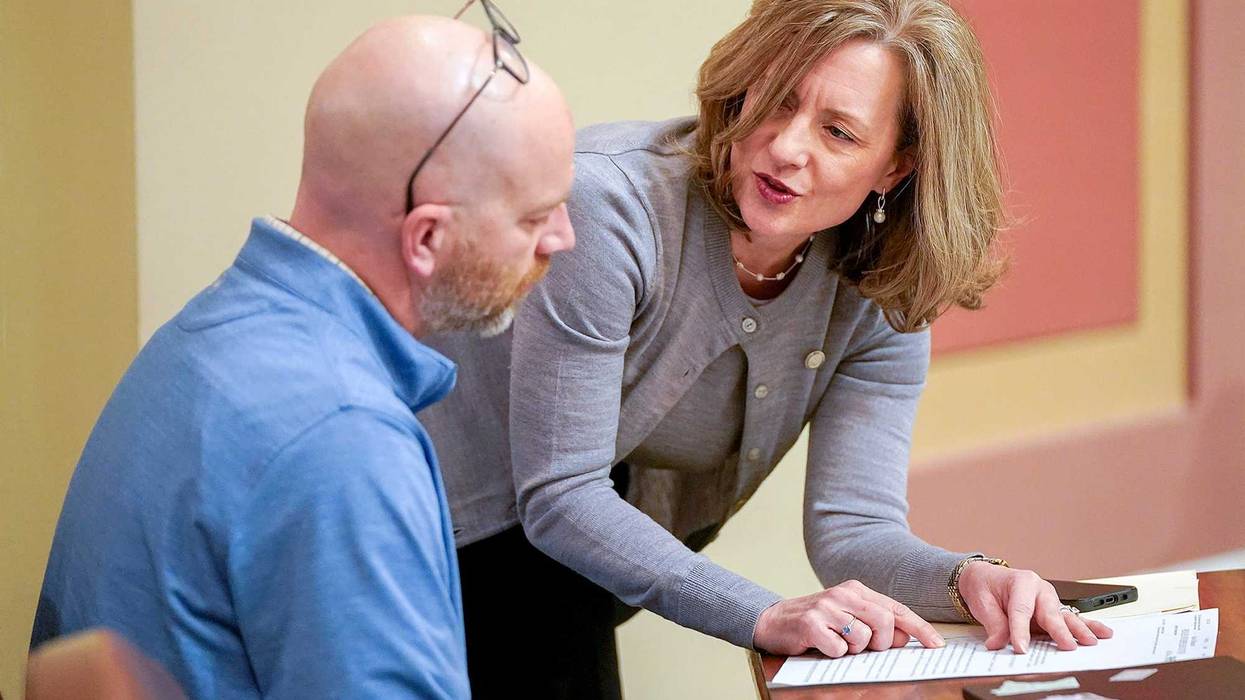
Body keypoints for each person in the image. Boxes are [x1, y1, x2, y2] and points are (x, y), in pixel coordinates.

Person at [419, 0, 1113, 697]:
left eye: (837, 132)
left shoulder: (878, 286)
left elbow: (854, 527)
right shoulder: (609, 208)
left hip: (569, 551)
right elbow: (562, 495)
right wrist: (764, 613)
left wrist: (968, 581)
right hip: (440, 523)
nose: (786, 146)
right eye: (778, 101)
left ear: (893, 170)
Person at [31, 6, 575, 698]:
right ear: (427, 238)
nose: (563, 238)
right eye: (534, 216)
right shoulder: (344, 438)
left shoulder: (202, 340)